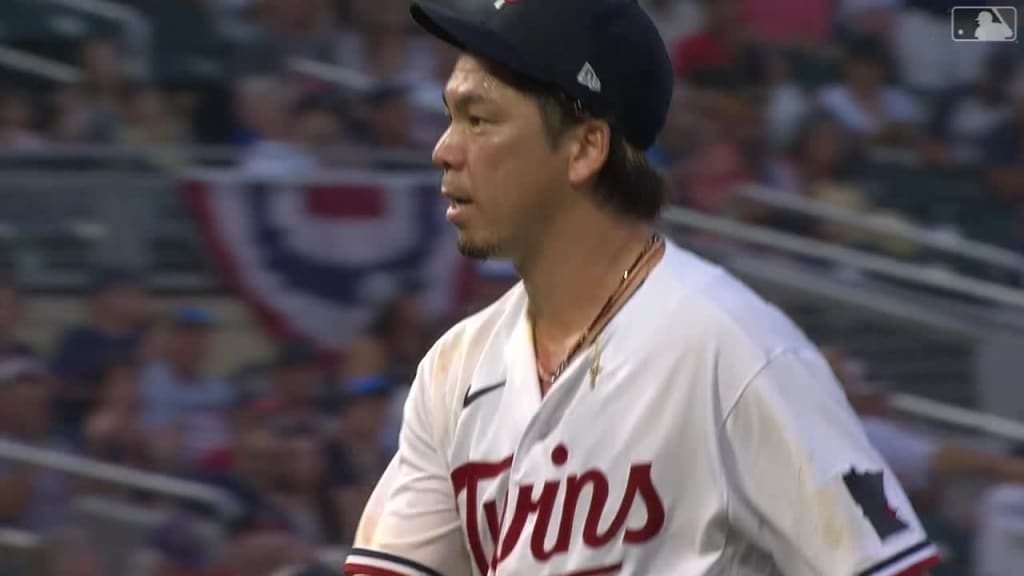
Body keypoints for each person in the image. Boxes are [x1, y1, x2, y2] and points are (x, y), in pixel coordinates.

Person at [344, 0, 940, 575]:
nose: (444, 149)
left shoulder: (732, 350)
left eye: (479, 120)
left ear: (583, 148)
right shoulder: (454, 368)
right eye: (450, 117)